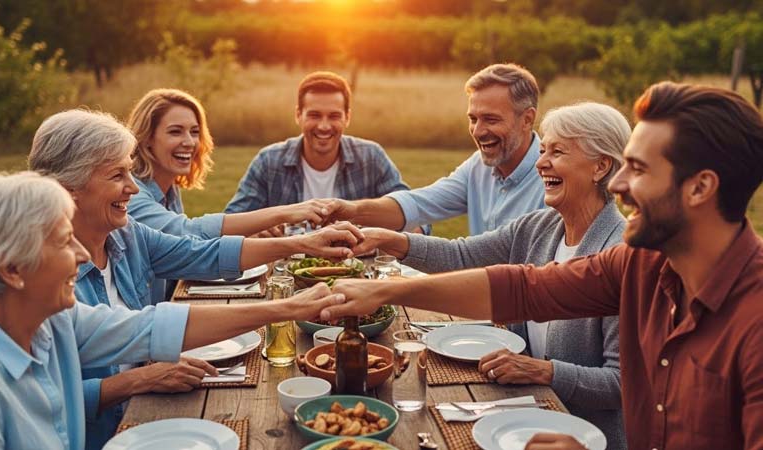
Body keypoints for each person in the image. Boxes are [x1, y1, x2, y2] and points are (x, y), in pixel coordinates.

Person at [324, 82, 763, 450]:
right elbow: (522, 287)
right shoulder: (640, 264)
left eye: (640, 169)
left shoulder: (753, 322)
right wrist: (389, 290)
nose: (622, 185)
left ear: (700, 187)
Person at [28, 109, 362, 450]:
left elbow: (204, 255)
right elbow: (46, 397)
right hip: (107, 433)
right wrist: (136, 380)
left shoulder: (126, 235)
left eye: (129, 171)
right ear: (68, 189)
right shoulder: (45, 282)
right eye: (117, 175)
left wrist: (301, 243)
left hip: (151, 407)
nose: (132, 187)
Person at [0, 171, 346, 450]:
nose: (80, 255)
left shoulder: (55, 320)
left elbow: (151, 327)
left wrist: (288, 307)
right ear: (11, 270)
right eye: (65, 243)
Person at [355, 102, 630, 449]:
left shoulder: (619, 256)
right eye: (542, 150)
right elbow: (462, 255)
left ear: (601, 166)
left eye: (557, 152)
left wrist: (545, 372)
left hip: (583, 437)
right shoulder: (539, 227)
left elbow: (622, 384)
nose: (541, 163)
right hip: (524, 421)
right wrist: (390, 240)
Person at [127, 88, 339, 303]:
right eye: (175, 131)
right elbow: (187, 235)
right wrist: (286, 215)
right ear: (146, 139)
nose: (190, 142)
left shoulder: (169, 189)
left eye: (194, 132)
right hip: (142, 323)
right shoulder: (132, 195)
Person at [324, 63, 546, 236]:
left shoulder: (553, 178)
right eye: (473, 119)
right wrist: (349, 210)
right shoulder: (477, 167)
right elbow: (420, 203)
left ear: (527, 119)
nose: (478, 131)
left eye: (491, 119)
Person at [223, 71, 413, 214]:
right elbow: (231, 221)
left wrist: (394, 230)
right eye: (314, 115)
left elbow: (414, 215)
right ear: (298, 115)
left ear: (347, 117)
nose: (324, 126)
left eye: (334, 116)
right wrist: (256, 231)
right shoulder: (268, 162)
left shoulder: (371, 157)